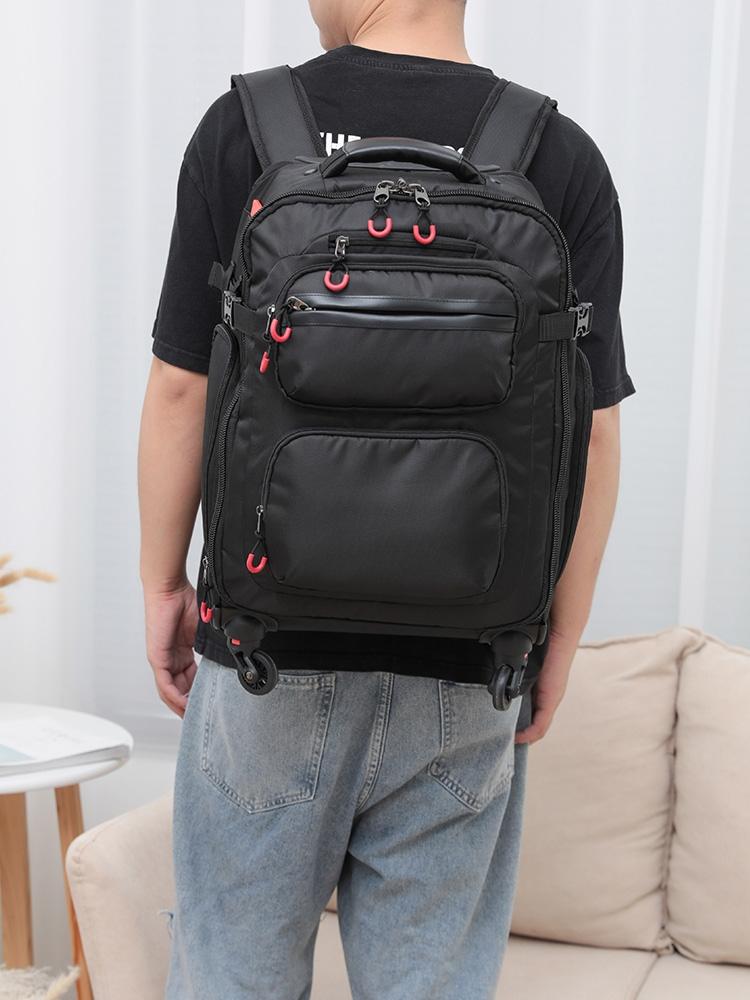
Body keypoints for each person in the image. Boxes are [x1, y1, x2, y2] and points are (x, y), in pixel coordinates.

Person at [138, 1, 634, 996]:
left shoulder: (245, 129)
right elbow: (592, 429)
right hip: (469, 660)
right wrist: (559, 637)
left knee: (231, 977)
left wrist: (163, 585)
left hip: (266, 654)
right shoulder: (558, 154)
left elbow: (183, 387)